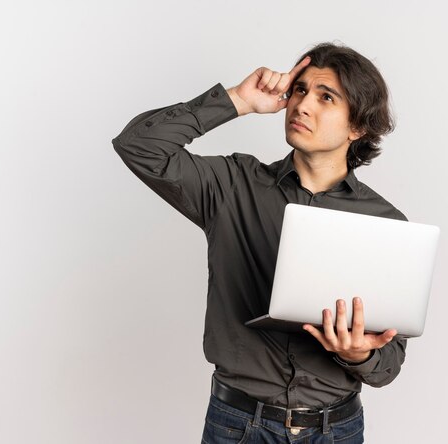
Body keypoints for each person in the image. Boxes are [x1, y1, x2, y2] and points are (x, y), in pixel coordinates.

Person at [113, 42, 408, 443]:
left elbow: (389, 364)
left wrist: (360, 354)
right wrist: (237, 100)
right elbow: (138, 145)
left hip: (335, 431)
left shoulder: (385, 224)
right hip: (237, 425)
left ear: (358, 127)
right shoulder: (232, 185)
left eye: (326, 97)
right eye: (299, 90)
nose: (302, 105)